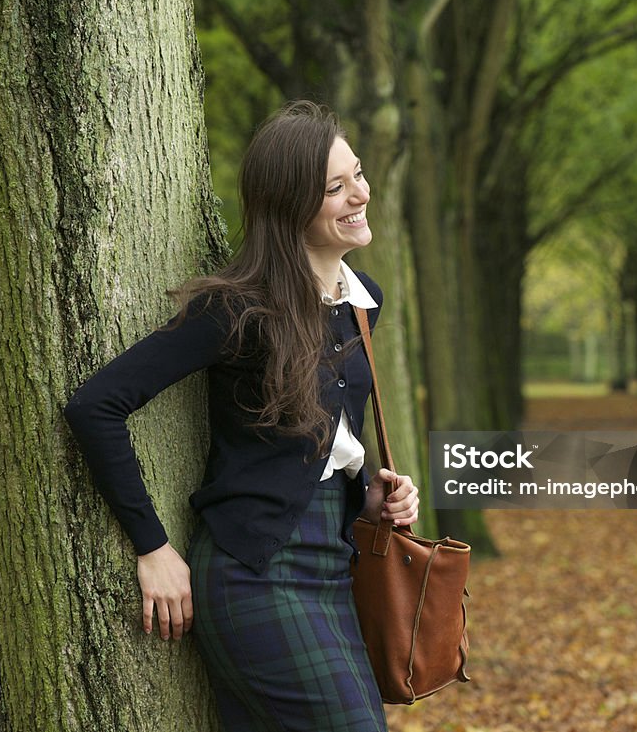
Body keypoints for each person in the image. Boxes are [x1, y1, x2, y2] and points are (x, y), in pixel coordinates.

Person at [63, 100, 420, 731]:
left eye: (357, 174)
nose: (360, 194)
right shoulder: (236, 311)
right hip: (256, 573)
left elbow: (320, 439)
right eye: (335, 188)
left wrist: (370, 497)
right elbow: (97, 406)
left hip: (336, 567)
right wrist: (152, 546)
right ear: (289, 206)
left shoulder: (362, 303)